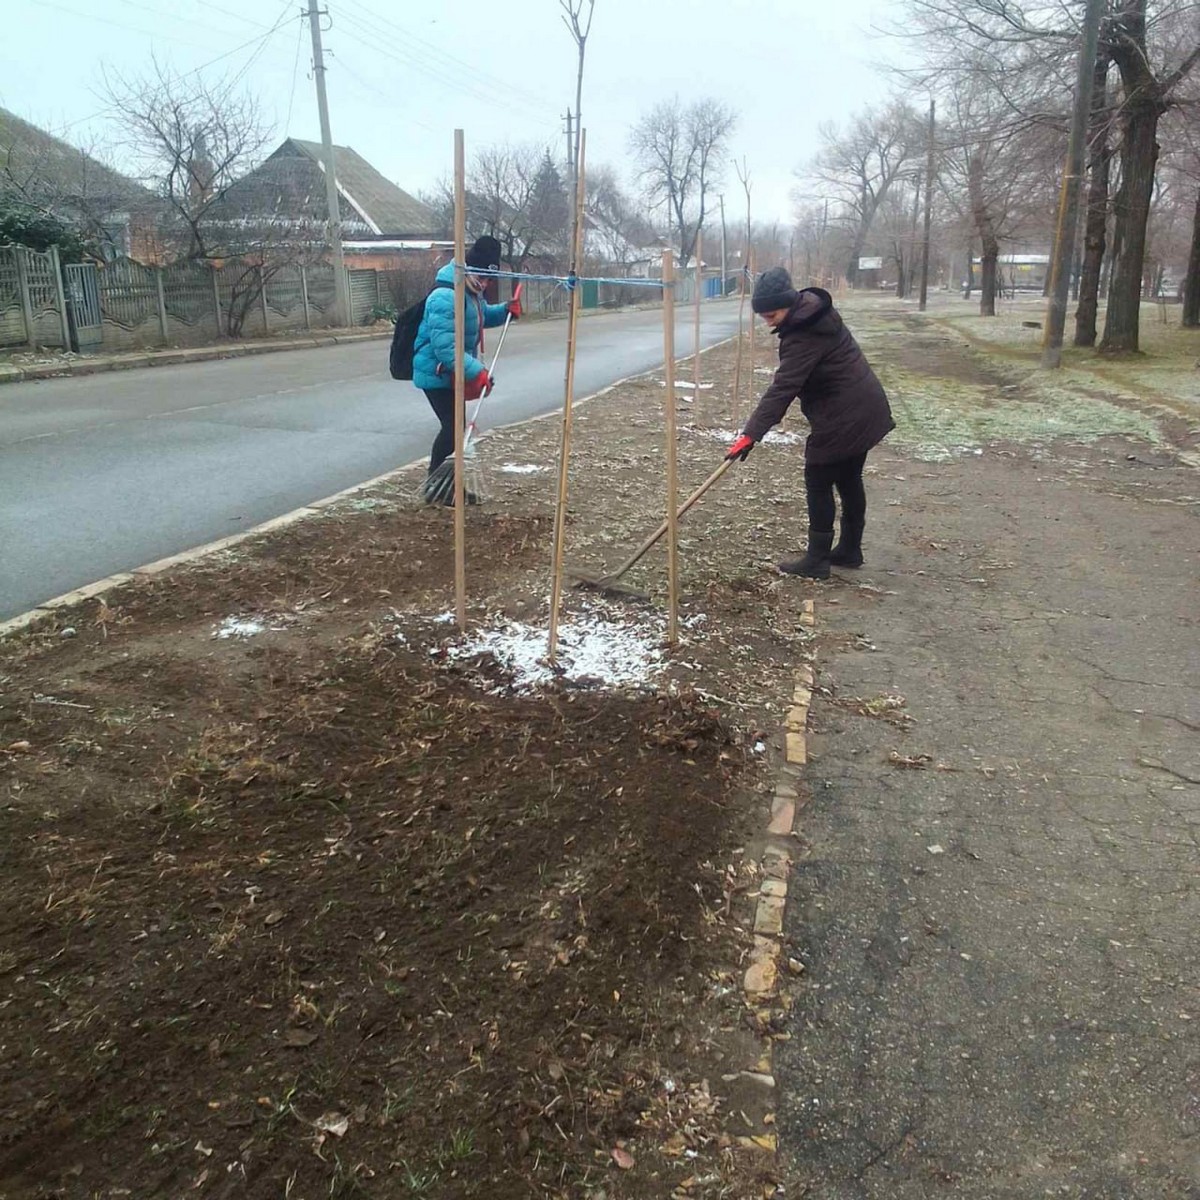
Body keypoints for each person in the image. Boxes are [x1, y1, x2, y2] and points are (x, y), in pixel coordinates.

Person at [725, 267, 894, 579]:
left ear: (787, 303)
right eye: (762, 315)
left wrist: (751, 434)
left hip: (845, 415)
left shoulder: (805, 333)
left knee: (818, 478)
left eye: (771, 313)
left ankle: (817, 560)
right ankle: (849, 549)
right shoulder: (813, 314)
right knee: (848, 477)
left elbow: (783, 388)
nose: (767, 321)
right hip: (864, 406)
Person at [412, 235, 521, 500]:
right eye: (481, 278)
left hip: (450, 373)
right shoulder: (444, 296)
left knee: (455, 429)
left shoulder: (470, 292)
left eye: (488, 280)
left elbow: (479, 317)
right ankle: (438, 489)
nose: (484, 284)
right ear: (469, 267)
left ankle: (445, 488)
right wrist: (477, 371)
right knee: (452, 428)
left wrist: (506, 310)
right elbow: (446, 348)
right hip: (436, 372)